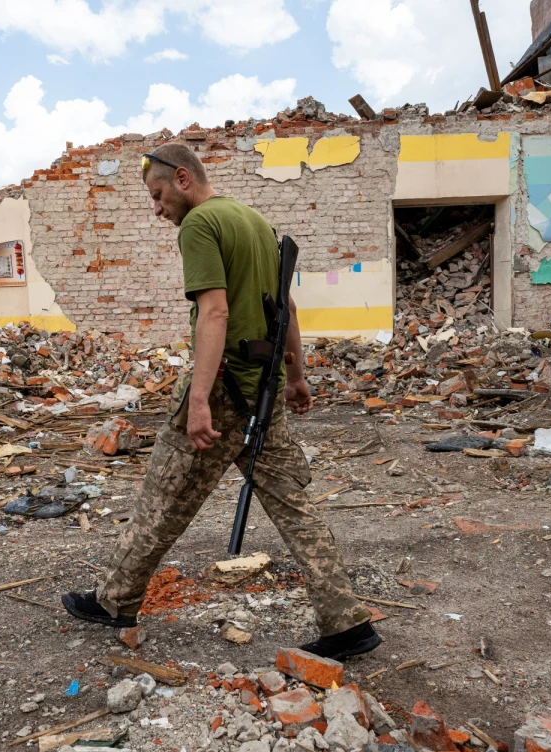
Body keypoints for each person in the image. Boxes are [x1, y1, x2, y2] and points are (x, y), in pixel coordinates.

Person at [62, 143, 381, 661]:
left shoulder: (200, 225)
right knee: (296, 509)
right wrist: (296, 376)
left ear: (183, 179)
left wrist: (201, 400)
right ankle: (346, 623)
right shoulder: (252, 219)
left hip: (227, 388)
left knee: (163, 498)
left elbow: (215, 314)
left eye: (159, 195)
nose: (157, 208)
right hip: (265, 390)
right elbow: (287, 306)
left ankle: (115, 602)